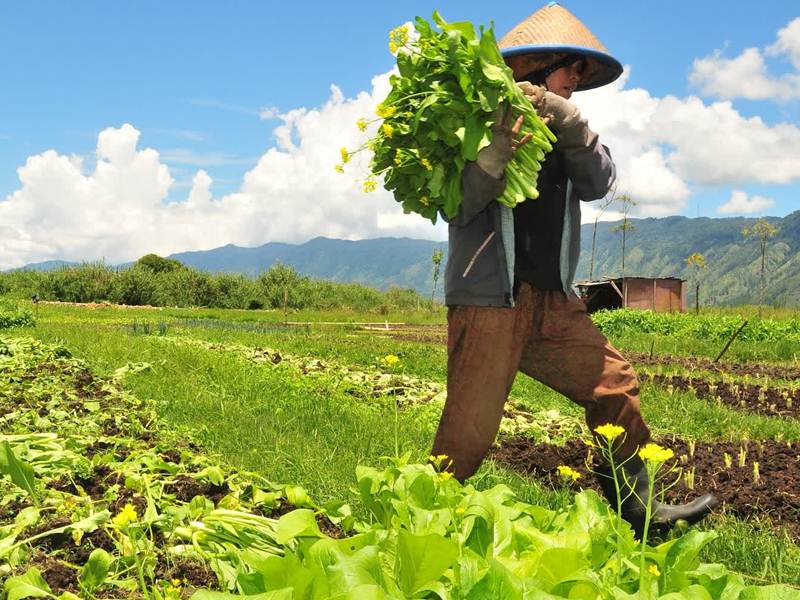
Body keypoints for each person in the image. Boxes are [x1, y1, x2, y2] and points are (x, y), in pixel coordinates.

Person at [434, 2, 717, 538]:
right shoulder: (475, 128)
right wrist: (493, 155)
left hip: (554, 303)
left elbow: (600, 181)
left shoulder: (567, 133)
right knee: (468, 436)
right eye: (570, 74)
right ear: (537, 69)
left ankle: (638, 513)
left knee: (614, 385)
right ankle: (417, 518)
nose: (575, 85)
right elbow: (459, 207)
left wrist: (570, 122)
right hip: (492, 300)